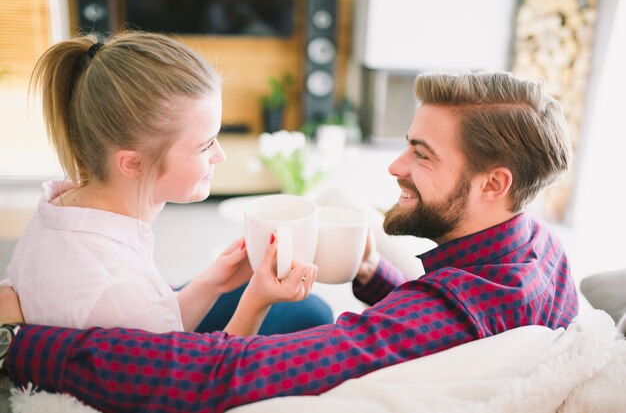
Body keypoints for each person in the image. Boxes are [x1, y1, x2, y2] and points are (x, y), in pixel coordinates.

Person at [0, 71, 579, 413]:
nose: (395, 165)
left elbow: (220, 375)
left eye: (422, 155)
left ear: (493, 183)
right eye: (407, 143)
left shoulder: (441, 315)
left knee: (299, 308)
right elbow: (452, 322)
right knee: (308, 304)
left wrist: (19, 344)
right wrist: (373, 274)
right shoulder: (536, 249)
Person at [0, 31, 331, 337]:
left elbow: (159, 328)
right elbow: (199, 383)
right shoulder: (122, 292)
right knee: (313, 316)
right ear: (133, 163)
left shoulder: (60, 206)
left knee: (309, 307)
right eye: (205, 145)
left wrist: (212, 282)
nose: (220, 155)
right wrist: (255, 302)